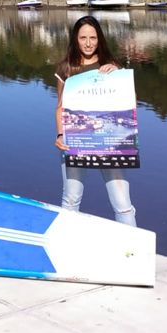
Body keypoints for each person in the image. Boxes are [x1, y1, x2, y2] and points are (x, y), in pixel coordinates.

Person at [54, 15, 137, 226]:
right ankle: (68, 248)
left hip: (109, 142)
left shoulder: (111, 67)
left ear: (99, 38)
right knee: (71, 199)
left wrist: (118, 75)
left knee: (123, 203)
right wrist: (61, 134)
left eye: (93, 37)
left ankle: (130, 252)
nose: (88, 43)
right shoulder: (66, 68)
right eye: (83, 38)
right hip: (76, 141)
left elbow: (130, 103)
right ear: (75, 39)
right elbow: (61, 107)